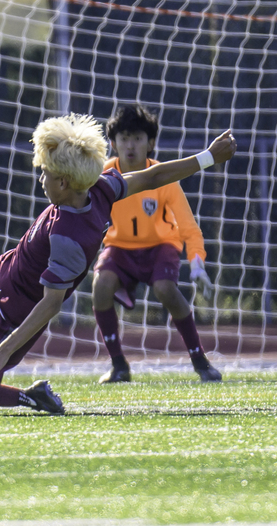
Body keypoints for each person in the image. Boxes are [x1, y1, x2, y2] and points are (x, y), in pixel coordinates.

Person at [0, 114, 236, 414]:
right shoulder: (101, 187)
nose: (41, 180)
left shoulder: (69, 235)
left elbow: (50, 304)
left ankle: (29, 398)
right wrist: (207, 158)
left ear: (64, 182)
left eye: (45, 174)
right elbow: (153, 175)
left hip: (7, 320)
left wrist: (4, 350)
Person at [92, 104, 221, 383]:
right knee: (100, 285)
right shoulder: (101, 176)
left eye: (138, 138)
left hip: (160, 247)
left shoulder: (163, 177)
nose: (130, 146)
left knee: (165, 289)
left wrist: (197, 264)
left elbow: (188, 227)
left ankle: (200, 360)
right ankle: (118, 366)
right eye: (124, 138)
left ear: (150, 143)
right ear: (112, 143)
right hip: (120, 249)